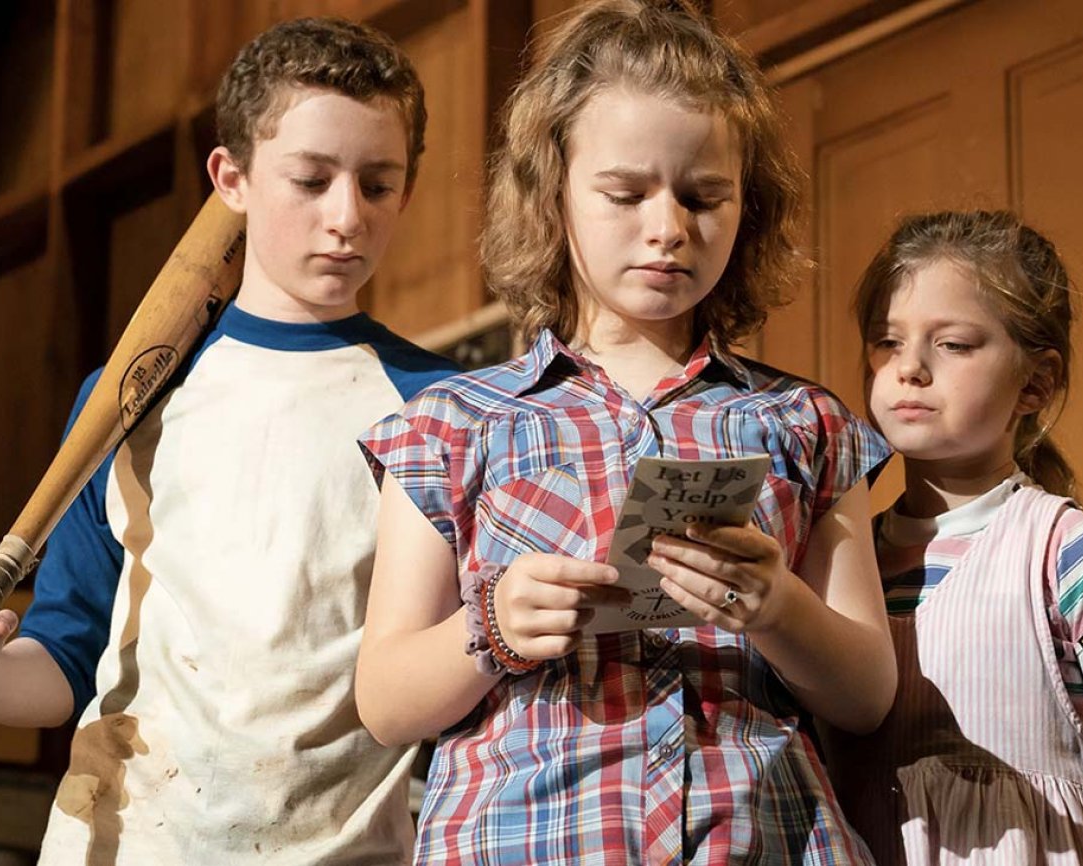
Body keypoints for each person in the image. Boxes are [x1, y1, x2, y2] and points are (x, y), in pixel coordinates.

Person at [0, 18, 455, 864]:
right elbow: (65, 660)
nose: (346, 217)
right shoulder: (129, 399)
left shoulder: (437, 407)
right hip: (125, 843)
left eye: (378, 185)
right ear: (230, 178)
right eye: (310, 179)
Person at [353, 2, 897, 863]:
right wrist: (492, 623)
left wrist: (776, 606)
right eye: (624, 193)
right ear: (553, 196)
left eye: (703, 194)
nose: (669, 226)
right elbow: (384, 699)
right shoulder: (454, 424)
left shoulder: (804, 421)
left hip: (760, 837)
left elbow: (866, 694)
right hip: (521, 839)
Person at [828, 209, 1083, 865]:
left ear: (1036, 382)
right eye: (887, 342)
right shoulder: (843, 562)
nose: (911, 369)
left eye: (952, 344)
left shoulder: (1077, 559)